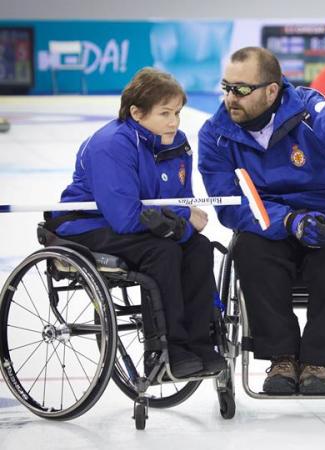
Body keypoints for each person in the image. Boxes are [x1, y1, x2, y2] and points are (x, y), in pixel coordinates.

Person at [198, 47, 325, 395]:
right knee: (249, 248)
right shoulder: (215, 134)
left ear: (272, 90)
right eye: (226, 87)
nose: (230, 98)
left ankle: (319, 360)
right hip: (270, 222)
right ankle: (281, 356)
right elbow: (231, 205)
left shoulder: (305, 108)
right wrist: (289, 221)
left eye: (241, 89)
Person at [50, 67, 226, 378]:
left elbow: (180, 200)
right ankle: (165, 348)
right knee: (163, 252)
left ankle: (200, 344)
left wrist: (182, 221)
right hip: (90, 226)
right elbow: (126, 218)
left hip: (149, 225)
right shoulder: (111, 145)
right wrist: (183, 218)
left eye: (177, 113)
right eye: (164, 113)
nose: (174, 121)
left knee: (199, 248)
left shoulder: (177, 142)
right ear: (136, 113)